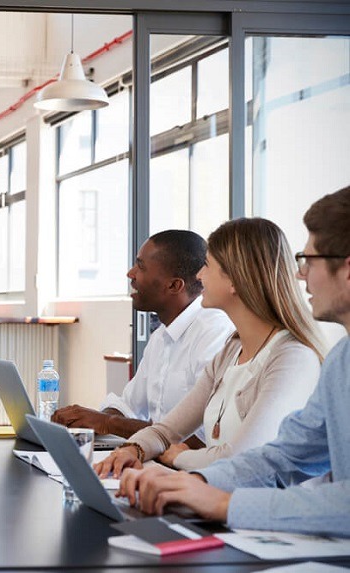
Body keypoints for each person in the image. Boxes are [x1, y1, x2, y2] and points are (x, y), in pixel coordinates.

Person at [116, 186, 350, 538]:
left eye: (309, 260)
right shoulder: (341, 361)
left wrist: (220, 500)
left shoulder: (296, 357)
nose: (301, 274)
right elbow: (282, 458)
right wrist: (195, 484)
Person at [96, 217, 323, 474]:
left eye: (207, 266)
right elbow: (166, 431)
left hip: (252, 507)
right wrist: (132, 449)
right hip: (215, 495)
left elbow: (238, 459)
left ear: (235, 281)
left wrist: (178, 458)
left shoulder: (291, 358)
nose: (200, 276)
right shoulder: (231, 350)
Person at [52, 230, 234, 443]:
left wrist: (107, 422)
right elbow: (129, 406)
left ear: (174, 285)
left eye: (141, 266)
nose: (131, 274)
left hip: (187, 471)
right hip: (155, 461)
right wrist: (85, 421)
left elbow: (202, 439)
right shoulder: (161, 337)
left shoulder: (214, 334)